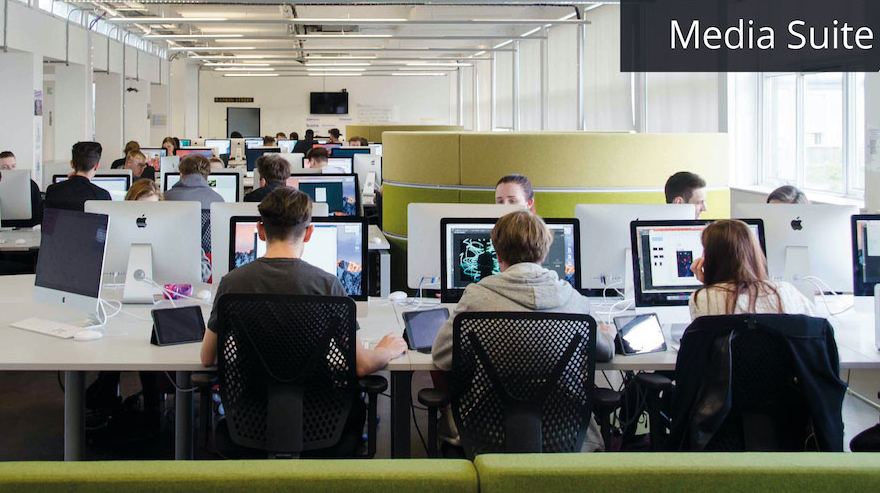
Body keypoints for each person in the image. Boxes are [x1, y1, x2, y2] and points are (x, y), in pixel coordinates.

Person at [430, 210, 614, 452]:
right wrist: (607, 333)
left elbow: (441, 357)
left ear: (497, 255)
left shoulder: (476, 298)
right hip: (565, 438)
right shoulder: (574, 301)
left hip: (487, 435)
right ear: (545, 251)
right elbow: (606, 352)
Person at [200, 187, 406, 376]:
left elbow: (207, 358)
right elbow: (362, 364)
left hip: (248, 410)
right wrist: (386, 350)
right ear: (309, 233)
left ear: (260, 231)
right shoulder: (328, 285)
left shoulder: (231, 283)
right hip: (319, 412)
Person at [688, 219, 814, 319]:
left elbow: (705, 343)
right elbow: (818, 329)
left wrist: (709, 285)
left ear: (711, 258)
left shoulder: (702, 299)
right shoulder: (785, 291)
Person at [44, 141, 111, 212]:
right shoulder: (102, 195)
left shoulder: (53, 190)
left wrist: (71, 182)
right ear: (97, 166)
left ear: (72, 164)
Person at [0, 150, 44, 225]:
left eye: (13, 166)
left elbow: (38, 214)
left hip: (26, 228)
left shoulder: (30, 185)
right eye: (4, 167)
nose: (10, 170)